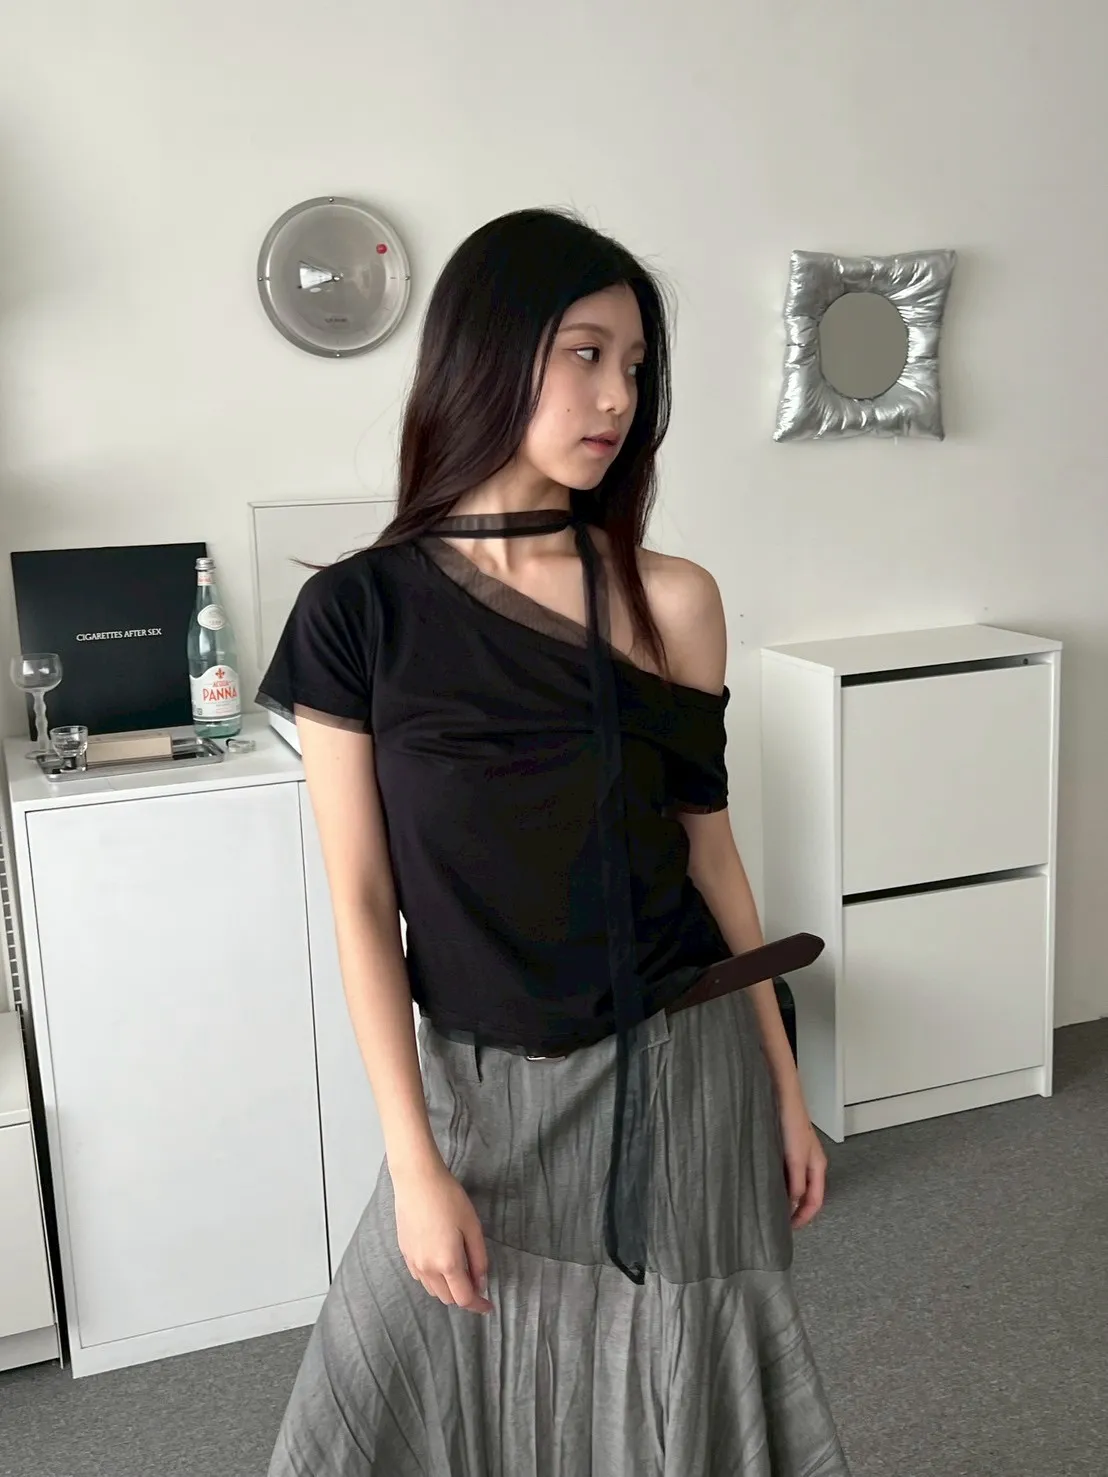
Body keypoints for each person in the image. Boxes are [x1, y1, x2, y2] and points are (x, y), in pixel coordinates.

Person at [257, 207, 850, 1476]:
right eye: (585, 353)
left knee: (678, 1405)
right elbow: (360, 901)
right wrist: (414, 1163)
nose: (617, 397)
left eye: (634, 365)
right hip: (480, 1091)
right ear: (489, 353)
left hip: (680, 1070)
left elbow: (710, 857)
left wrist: (785, 1091)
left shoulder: (671, 596)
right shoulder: (356, 613)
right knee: (380, 1411)